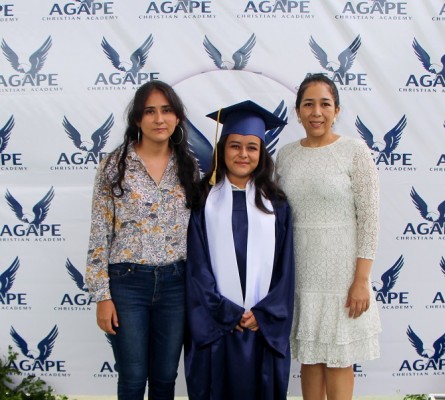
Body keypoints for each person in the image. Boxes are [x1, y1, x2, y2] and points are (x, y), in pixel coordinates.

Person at [85, 80, 198, 400]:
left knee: (165, 377)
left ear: (177, 117)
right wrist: (101, 296)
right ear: (137, 119)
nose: (159, 119)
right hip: (127, 283)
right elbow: (99, 231)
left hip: (176, 284)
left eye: (166, 110)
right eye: (150, 111)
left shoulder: (189, 165)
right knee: (133, 377)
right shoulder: (114, 165)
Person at [275, 73, 381, 400]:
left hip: (342, 275)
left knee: (338, 360)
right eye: (309, 104)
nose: (316, 112)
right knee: (310, 358)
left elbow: (370, 217)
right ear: (298, 111)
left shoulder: (354, 151)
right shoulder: (287, 155)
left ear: (337, 110)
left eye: (325, 104)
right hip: (303, 273)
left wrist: (361, 279)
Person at [185, 100, 295, 400]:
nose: (243, 154)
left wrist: (265, 313)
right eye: (235, 146)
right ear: (222, 150)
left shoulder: (277, 205)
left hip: (261, 327)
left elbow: (286, 271)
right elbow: (197, 268)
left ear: (262, 154)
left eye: (251, 147)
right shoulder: (202, 201)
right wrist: (226, 313)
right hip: (217, 326)